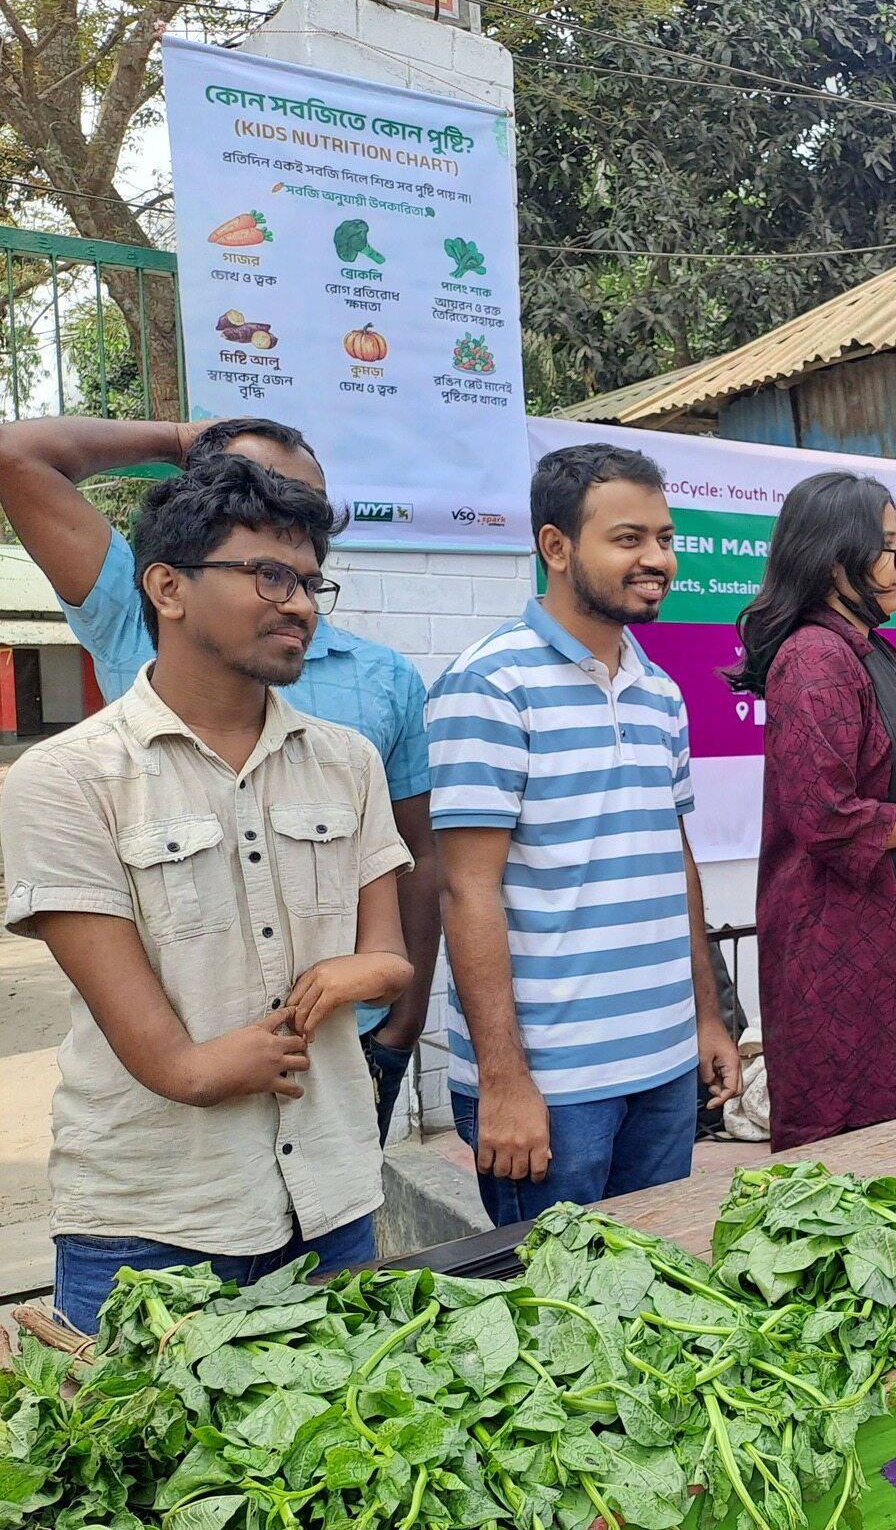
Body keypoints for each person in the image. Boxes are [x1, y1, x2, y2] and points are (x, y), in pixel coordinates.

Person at [1, 458, 414, 1332]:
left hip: (331, 1202)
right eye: (269, 575)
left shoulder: (348, 761)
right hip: (153, 1222)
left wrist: (358, 973)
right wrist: (202, 1068)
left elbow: (390, 957)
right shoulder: (68, 778)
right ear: (168, 588)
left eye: (309, 582)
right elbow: (171, 1060)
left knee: (347, 1422)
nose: (300, 604)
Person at [427, 443, 742, 1226]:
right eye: (628, 538)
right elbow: (466, 890)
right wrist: (503, 1081)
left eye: (664, 539)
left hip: (664, 1069)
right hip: (553, 1090)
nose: (657, 559)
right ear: (556, 547)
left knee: (661, 1273)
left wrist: (707, 1019)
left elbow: (673, 861)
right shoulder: (489, 684)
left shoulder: (660, 691)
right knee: (555, 1293)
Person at [726, 472, 896, 1150]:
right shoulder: (814, 659)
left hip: (893, 935)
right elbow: (826, 819)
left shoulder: (864, 648)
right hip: (843, 954)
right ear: (833, 560)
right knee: (859, 1159)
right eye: (889, 546)